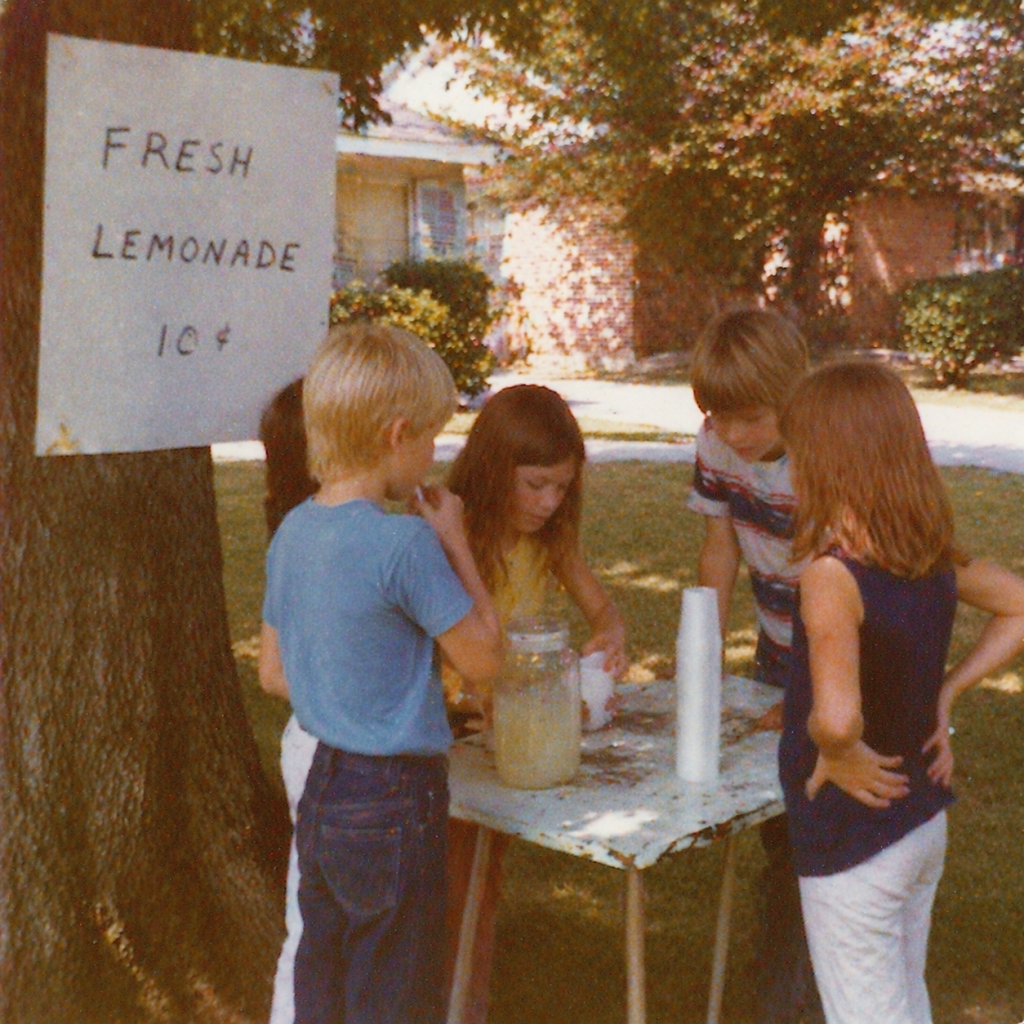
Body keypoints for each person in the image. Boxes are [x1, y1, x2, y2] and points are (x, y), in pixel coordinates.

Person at [259, 322, 503, 1024]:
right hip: (395, 795)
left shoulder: (295, 531)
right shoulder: (403, 545)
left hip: (323, 788)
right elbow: (487, 659)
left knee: (323, 982)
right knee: (392, 991)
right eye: (430, 438)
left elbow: (275, 676)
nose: (433, 455)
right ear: (396, 435)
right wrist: (455, 542)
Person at [777, 361, 1024, 1024]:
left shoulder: (830, 577)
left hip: (854, 841)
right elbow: (1019, 604)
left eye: (796, 455)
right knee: (904, 1000)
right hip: (920, 821)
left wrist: (838, 748)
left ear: (823, 465)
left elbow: (835, 715)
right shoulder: (928, 554)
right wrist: (947, 694)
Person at [443, 384, 627, 1023]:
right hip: (449, 731)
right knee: (454, 884)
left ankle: (470, 998)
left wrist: (611, 633)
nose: (550, 503)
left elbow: (601, 606)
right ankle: (454, 1002)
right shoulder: (449, 534)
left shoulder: (550, 536)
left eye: (561, 488)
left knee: (480, 883)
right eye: (535, 485)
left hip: (509, 728)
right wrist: (475, 693)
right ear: (495, 470)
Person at [685, 308, 822, 1023]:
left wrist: (807, 698)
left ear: (792, 393)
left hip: (841, 654)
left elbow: (855, 587)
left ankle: (799, 992)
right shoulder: (715, 445)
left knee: (822, 827)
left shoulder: (828, 451)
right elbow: (720, 550)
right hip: (776, 649)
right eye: (717, 415)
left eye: (748, 417)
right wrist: (701, 656)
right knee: (784, 826)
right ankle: (790, 973)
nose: (731, 433)